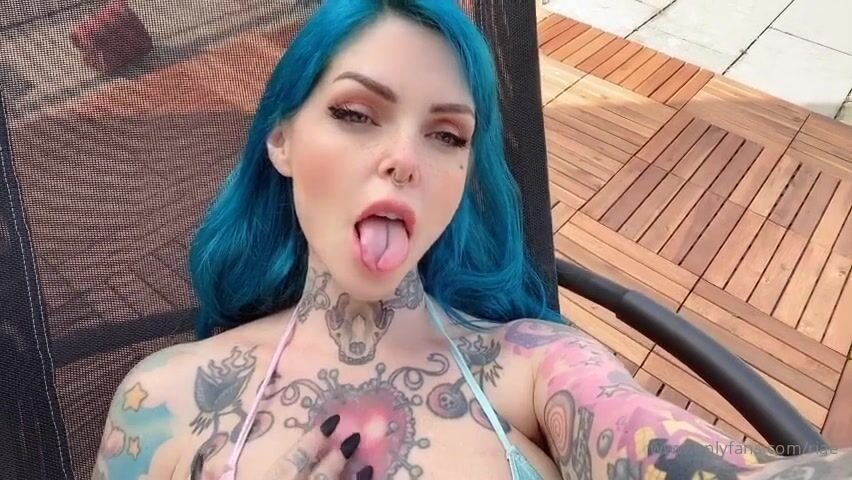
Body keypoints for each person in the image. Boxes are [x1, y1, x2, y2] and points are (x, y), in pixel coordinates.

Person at [92, 1, 852, 479]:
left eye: (447, 134)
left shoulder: (537, 368)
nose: (405, 158)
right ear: (281, 139)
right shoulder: (164, 397)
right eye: (356, 114)